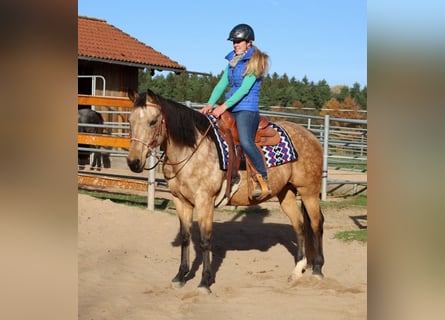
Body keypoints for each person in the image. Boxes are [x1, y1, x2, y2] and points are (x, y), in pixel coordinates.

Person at [200, 23, 271, 200]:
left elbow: (244, 89)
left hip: (247, 109)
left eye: (239, 41)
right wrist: (210, 103)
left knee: (246, 141)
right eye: (234, 42)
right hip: (231, 107)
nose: (235, 44)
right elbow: (221, 84)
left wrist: (223, 106)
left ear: (249, 42)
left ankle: (263, 176)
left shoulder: (256, 61)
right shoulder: (232, 60)